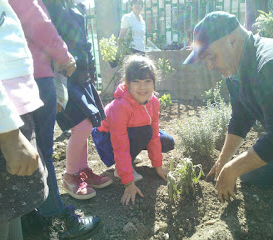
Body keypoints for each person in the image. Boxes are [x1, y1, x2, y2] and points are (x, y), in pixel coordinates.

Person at [183, 11, 273, 228]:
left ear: (231, 40)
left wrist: (232, 169)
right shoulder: (234, 73)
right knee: (251, 175)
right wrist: (224, 161)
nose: (209, 67)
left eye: (210, 56)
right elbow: (240, 118)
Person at [9, 0, 101, 238]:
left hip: (16, 78)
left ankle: (31, 221)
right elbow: (35, 18)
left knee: (21, 154)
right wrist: (63, 55)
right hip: (33, 76)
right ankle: (56, 222)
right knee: (41, 152)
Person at [43, 0, 113, 200]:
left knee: (88, 125)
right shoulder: (51, 4)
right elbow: (46, 36)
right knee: (81, 127)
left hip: (82, 76)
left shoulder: (78, 6)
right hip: (62, 75)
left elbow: (84, 42)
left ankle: (82, 170)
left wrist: (90, 71)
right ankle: (69, 176)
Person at [0, 1, 48, 239]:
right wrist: (8, 134)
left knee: (10, 211)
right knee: (1, 213)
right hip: (3, 123)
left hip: (9, 114)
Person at [92, 55, 175, 206]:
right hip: (107, 139)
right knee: (145, 132)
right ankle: (121, 168)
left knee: (166, 141)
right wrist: (128, 182)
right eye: (136, 82)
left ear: (154, 83)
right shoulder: (120, 107)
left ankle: (130, 157)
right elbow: (119, 143)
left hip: (134, 132)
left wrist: (157, 166)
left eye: (147, 81)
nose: (143, 87)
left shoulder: (154, 103)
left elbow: (155, 135)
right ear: (127, 84)